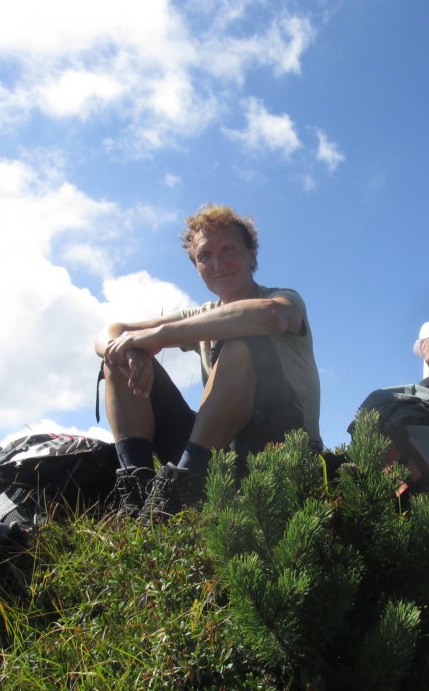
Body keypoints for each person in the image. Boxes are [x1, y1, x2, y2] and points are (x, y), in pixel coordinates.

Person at [95, 203, 322, 522]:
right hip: (219, 457)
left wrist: (159, 336)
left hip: (284, 449)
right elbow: (112, 332)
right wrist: (129, 349)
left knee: (242, 343)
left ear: (251, 255)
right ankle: (140, 493)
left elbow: (271, 315)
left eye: (228, 249)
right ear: (197, 267)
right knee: (118, 356)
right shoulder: (203, 315)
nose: (217, 264)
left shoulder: (282, 298)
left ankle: (179, 492)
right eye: (205, 256)